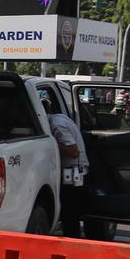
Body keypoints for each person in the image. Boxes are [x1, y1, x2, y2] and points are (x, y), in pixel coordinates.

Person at [40, 92, 89, 238]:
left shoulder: (56, 125)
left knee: (69, 214)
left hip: (73, 175)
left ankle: (71, 243)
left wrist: (52, 143)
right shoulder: (59, 119)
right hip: (73, 172)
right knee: (70, 213)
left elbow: (73, 151)